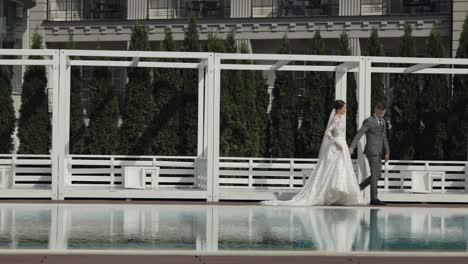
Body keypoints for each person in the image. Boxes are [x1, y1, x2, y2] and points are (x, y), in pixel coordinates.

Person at [261, 100, 364, 206]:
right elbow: (327, 132)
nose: (345, 109)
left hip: (343, 145)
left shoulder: (341, 118)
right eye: (344, 107)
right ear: (339, 108)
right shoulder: (336, 118)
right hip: (337, 145)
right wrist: (335, 142)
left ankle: (339, 194)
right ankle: (332, 192)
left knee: (342, 168)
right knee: (332, 169)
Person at [349, 101, 390, 206]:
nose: (381, 115)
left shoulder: (383, 122)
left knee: (377, 175)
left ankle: (358, 188)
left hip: (380, 151)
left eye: (383, 113)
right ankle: (374, 198)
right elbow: (359, 134)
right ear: (375, 109)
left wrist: (387, 151)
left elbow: (384, 137)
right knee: (375, 175)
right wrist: (352, 146)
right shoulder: (369, 121)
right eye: (380, 113)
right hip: (371, 151)